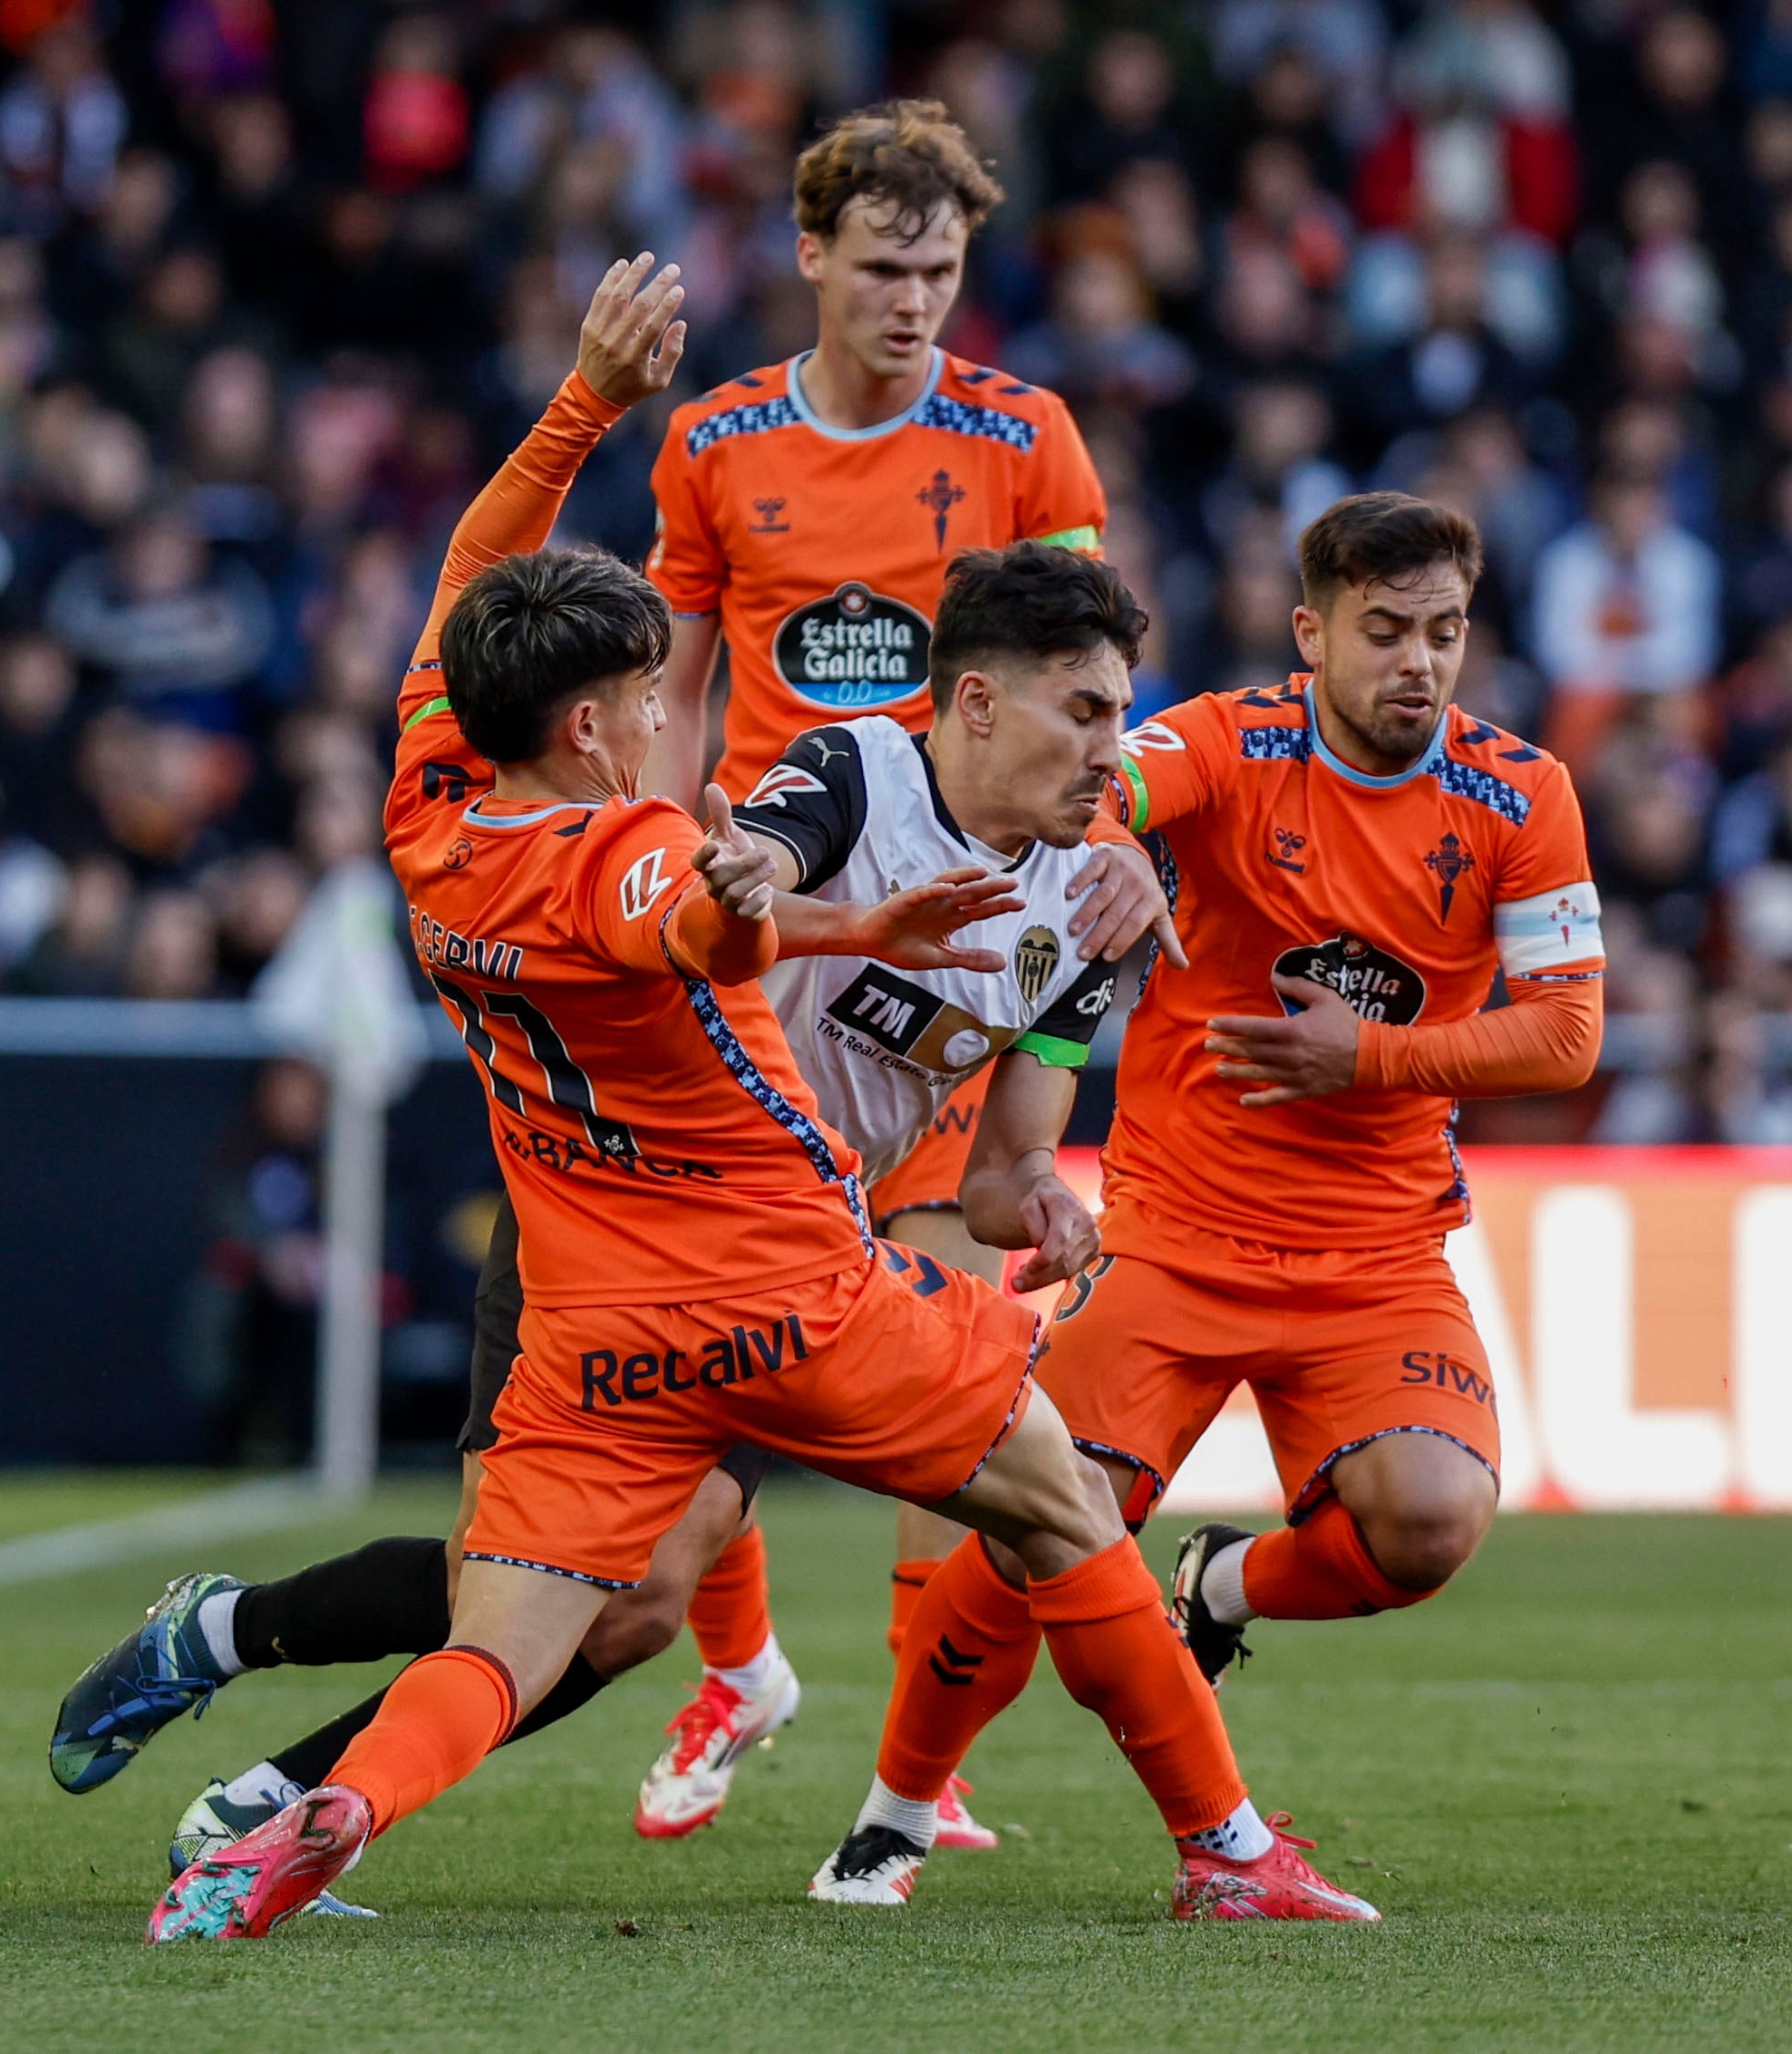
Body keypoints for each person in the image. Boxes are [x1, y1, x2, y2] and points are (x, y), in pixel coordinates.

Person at [140, 254, 1368, 1940]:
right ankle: (1227, 1850)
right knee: (1054, 1500)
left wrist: (584, 398)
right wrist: (840, 908)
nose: (672, 714)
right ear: (587, 726)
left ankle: (325, 1813)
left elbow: (470, 567)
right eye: (647, 696)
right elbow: (712, 902)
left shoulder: (429, 799)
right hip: (786, 1270)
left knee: (519, 1635)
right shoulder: (667, 834)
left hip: (597, 1304)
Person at [804, 491, 1608, 1904]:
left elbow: (1568, 1032)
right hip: (1177, 1231)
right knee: (1033, 1524)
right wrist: (1112, 838)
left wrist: (1366, 1056)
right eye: (1384, 631)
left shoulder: (1520, 793)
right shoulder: (1231, 743)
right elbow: (1117, 774)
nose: (1418, 662)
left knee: (1426, 1525)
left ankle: (1218, 1587)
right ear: (1313, 634)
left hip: (1378, 1250)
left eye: (1444, 631)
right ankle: (897, 1809)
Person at [629, 96, 1134, 1838]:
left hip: (955, 945)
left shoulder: (1025, 435)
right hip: (773, 929)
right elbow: (673, 671)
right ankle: (737, 1652)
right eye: (887, 266)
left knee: (956, 1358)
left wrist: (1113, 824)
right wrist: (647, 844)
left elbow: (1091, 663)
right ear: (812, 256)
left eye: (943, 267)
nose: (918, 298)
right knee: (698, 1386)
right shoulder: (713, 442)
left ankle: (926, 1759)